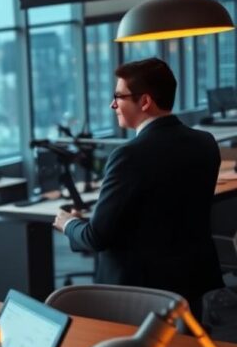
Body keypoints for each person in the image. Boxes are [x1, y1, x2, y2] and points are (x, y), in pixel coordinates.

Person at [53, 58, 222, 317]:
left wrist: (68, 224)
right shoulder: (205, 142)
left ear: (144, 101)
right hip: (190, 280)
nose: (113, 105)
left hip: (138, 293)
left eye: (118, 97)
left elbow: (97, 237)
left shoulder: (129, 156)